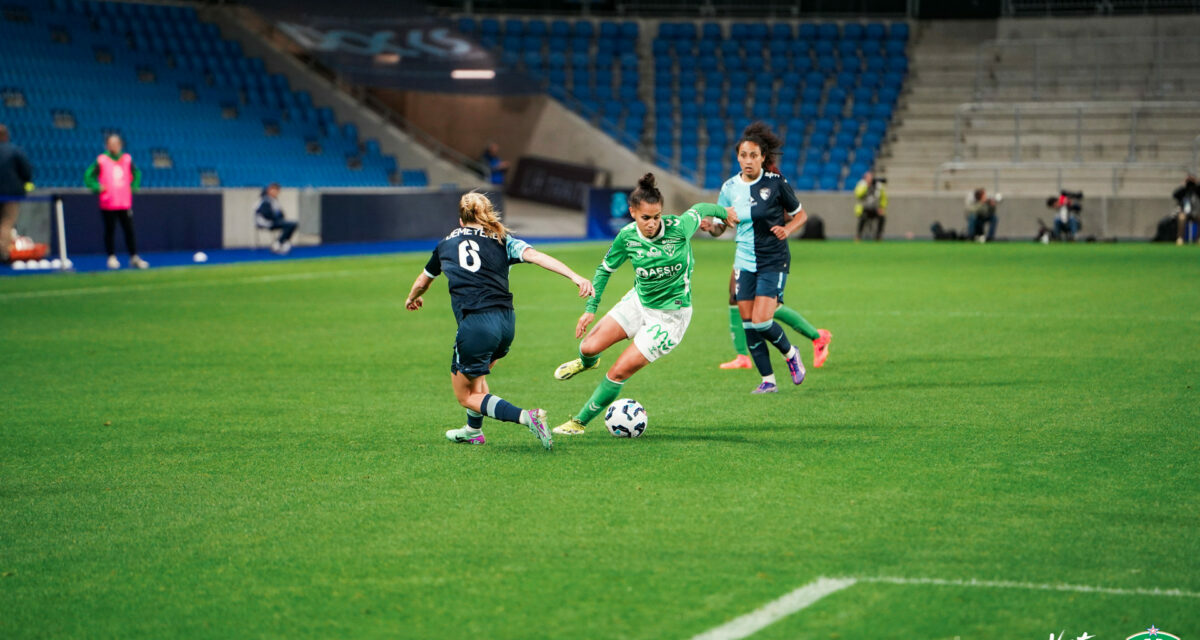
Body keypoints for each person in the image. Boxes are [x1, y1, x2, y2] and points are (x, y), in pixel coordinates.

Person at [404, 192, 594, 450]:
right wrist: (575, 277)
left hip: (476, 325)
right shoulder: (502, 239)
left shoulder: (444, 245)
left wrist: (413, 298)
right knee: (478, 379)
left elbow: (422, 281)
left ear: (461, 220)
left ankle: (529, 417)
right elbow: (537, 257)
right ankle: (473, 431)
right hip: (506, 323)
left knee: (466, 395)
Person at [550, 173, 731, 435]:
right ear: (633, 212)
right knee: (588, 347)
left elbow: (701, 208)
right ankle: (588, 363)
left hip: (669, 318)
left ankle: (578, 422)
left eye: (656, 216)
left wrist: (725, 212)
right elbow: (604, 270)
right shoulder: (627, 237)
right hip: (638, 302)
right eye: (646, 217)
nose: (652, 223)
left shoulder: (678, 228)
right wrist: (590, 310)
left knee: (618, 371)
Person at [704, 123, 832, 372]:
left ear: (762, 153)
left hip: (768, 252)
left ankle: (817, 336)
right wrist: (714, 226)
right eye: (744, 154)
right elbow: (727, 219)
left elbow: (790, 211)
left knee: (766, 310)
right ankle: (743, 354)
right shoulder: (732, 185)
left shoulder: (771, 176)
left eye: (753, 154)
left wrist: (782, 226)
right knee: (737, 297)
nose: (748, 159)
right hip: (745, 250)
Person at [84, 134, 147, 269]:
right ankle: (111, 257)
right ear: (107, 145)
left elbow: (137, 174)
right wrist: (97, 187)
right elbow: (88, 176)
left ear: (120, 144)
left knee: (129, 230)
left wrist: (134, 187)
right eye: (111, 143)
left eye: (116, 143)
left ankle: (134, 256)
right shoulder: (102, 160)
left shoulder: (126, 159)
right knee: (110, 230)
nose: (114, 146)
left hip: (124, 202)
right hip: (108, 202)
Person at [0, 124, 33, 262]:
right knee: (7, 223)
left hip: (10, 193)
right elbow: (26, 172)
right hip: (10, 195)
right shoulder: (14, 151)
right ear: (6, 136)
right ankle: (3, 253)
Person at [255, 183, 298, 254]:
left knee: (292, 224)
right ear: (269, 190)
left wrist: (279, 218)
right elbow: (266, 214)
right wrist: (277, 218)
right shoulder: (265, 200)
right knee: (289, 225)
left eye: (277, 191)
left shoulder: (274, 200)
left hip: (273, 221)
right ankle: (277, 244)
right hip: (265, 222)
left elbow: (281, 214)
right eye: (274, 190)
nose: (276, 192)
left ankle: (282, 243)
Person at [853, 170, 887, 241]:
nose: (869, 178)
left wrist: (882, 207)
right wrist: (866, 186)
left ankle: (878, 236)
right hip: (864, 208)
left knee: (882, 217)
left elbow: (883, 198)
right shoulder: (861, 184)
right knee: (863, 217)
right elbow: (858, 194)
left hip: (875, 208)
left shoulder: (878, 186)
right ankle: (858, 235)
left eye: (870, 177)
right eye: (867, 177)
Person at [1172, 174, 1199, 245]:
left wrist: (1196, 184)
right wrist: (1184, 185)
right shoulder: (1183, 191)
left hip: (1196, 212)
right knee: (1181, 217)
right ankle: (1180, 238)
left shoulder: (1197, 190)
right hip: (1185, 212)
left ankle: (1198, 238)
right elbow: (1175, 194)